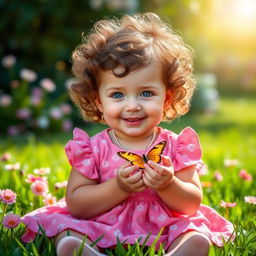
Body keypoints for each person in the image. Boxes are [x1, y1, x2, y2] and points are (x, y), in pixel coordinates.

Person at [21, 12, 235, 256]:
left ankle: (180, 252)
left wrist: (168, 184)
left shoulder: (176, 146)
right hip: (101, 223)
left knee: (194, 232)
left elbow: (190, 204)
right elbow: (78, 205)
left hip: (164, 225)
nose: (132, 105)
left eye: (146, 93)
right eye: (117, 95)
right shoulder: (92, 148)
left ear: (167, 97)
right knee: (67, 230)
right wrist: (119, 187)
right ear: (98, 100)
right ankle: (87, 251)